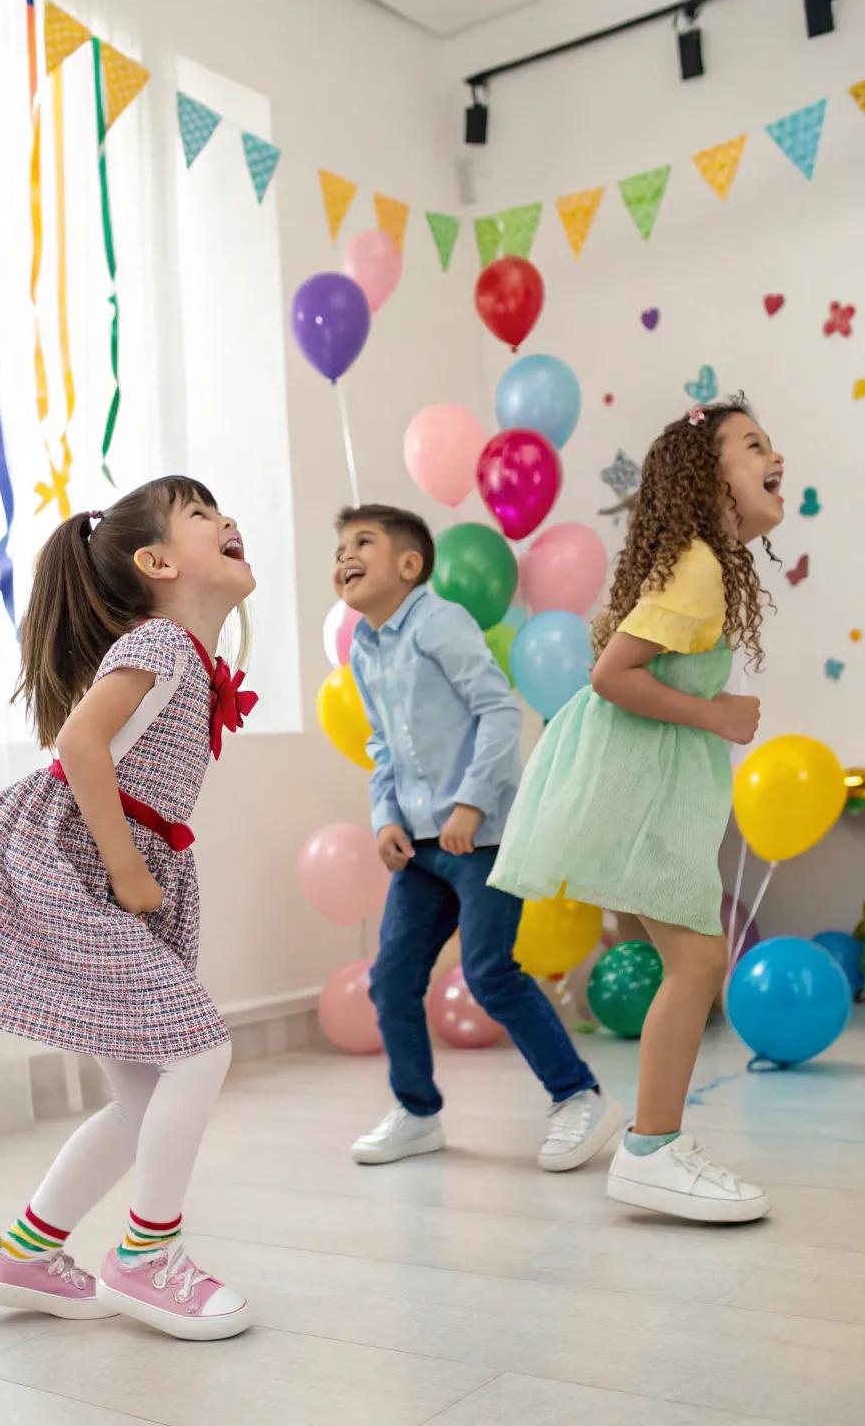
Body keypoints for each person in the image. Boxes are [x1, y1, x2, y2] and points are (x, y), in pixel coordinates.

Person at [0, 477, 258, 1339]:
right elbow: (77, 743)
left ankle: (25, 1254)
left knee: (145, 1089)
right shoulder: (163, 642)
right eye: (200, 514)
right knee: (199, 1051)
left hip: (112, 864)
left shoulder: (187, 651)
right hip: (78, 866)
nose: (226, 521)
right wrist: (125, 871)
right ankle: (148, 1258)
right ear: (155, 561)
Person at [491, 396, 783, 1223]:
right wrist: (719, 713)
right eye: (755, 445)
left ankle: (655, 1145)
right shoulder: (695, 567)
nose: (777, 458)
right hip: (633, 788)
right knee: (697, 962)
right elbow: (613, 675)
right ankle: (651, 1151)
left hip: (638, 785)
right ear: (707, 477)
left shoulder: (702, 566)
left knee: (693, 961)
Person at [335, 504, 622, 1171]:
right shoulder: (365, 646)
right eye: (340, 548)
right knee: (393, 978)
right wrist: (385, 817)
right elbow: (382, 744)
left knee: (491, 971)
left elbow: (497, 709)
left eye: (362, 543)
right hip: (419, 848)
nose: (344, 556)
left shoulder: (439, 621)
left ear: (409, 565)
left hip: (483, 837)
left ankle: (577, 1095)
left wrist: (470, 804)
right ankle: (416, 1111)